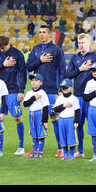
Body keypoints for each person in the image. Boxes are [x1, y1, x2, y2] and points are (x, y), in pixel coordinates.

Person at [26, 24, 66, 157]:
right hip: (37, 92)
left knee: (54, 117)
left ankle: (61, 148)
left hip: (51, 91)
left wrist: (61, 89)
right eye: (40, 32)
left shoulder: (56, 50)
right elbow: (29, 66)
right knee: (36, 118)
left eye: (44, 32)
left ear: (49, 34)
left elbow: (61, 70)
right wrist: (40, 60)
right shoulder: (36, 49)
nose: (41, 34)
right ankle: (36, 148)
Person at [65, 33, 96, 158]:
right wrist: (80, 69)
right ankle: (80, 151)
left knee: (93, 125)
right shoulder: (74, 58)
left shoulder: (95, 57)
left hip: (91, 97)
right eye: (79, 43)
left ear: (89, 43)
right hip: (77, 97)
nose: (81, 45)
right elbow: (68, 75)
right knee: (78, 124)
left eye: (83, 43)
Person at [0, 35, 27, 155]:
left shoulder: (17, 54)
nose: (2, 50)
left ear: (8, 44)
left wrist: (21, 90)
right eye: (0, 48)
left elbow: (23, 73)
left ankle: (21, 146)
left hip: (13, 90)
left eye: (4, 48)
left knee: (17, 117)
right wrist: (3, 65)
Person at [22, 73, 50, 159]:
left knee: (41, 133)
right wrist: (34, 98)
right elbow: (25, 104)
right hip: (32, 114)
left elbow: (45, 107)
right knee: (34, 133)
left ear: (41, 83)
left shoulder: (43, 93)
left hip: (40, 114)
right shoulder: (29, 93)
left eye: (36, 80)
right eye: (32, 81)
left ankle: (40, 151)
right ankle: (34, 151)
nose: (33, 82)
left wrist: (45, 120)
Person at [54, 78, 80, 161]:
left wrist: (76, 121)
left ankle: (71, 154)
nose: (64, 89)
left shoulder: (74, 98)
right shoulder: (60, 98)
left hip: (70, 120)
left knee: (71, 138)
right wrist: (64, 105)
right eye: (63, 88)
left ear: (71, 88)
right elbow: (56, 109)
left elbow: (77, 111)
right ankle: (65, 154)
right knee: (63, 137)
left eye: (66, 87)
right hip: (61, 120)